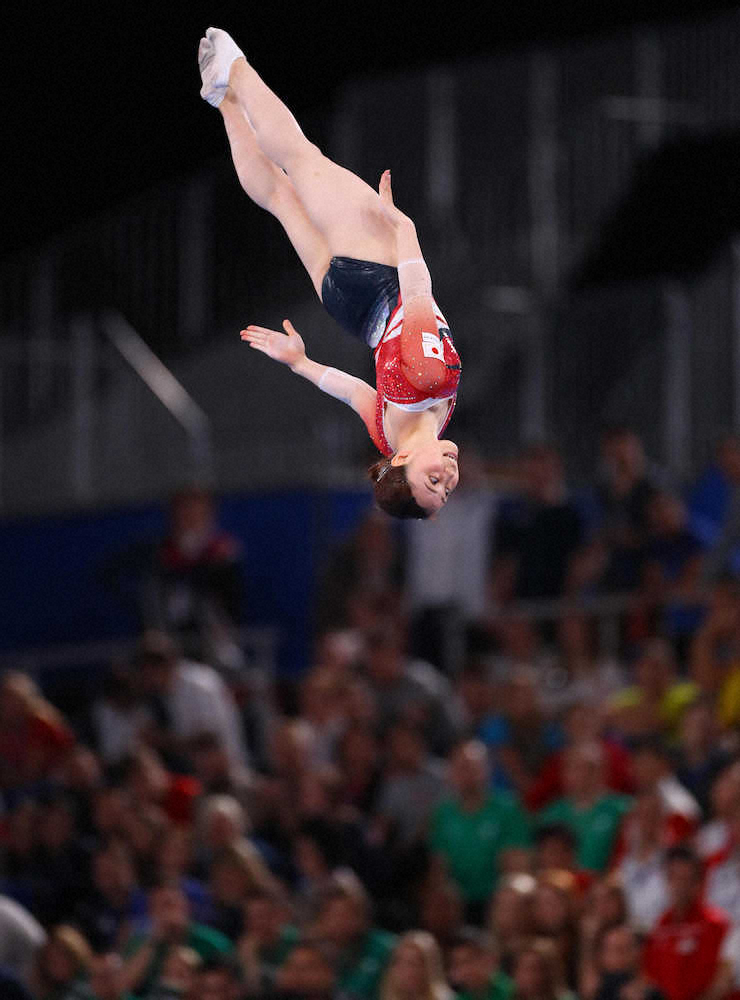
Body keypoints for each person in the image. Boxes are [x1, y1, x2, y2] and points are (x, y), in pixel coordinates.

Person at [197, 27, 461, 519]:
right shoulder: (386, 433)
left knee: (300, 159)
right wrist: (300, 363)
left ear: (400, 461)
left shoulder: (431, 382)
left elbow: (418, 291)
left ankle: (235, 66)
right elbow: (355, 390)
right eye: (444, 491)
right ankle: (225, 100)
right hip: (347, 307)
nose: (446, 480)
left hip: (381, 271)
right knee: (279, 199)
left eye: (432, 481)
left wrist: (401, 226)